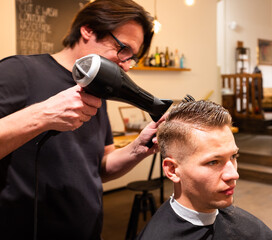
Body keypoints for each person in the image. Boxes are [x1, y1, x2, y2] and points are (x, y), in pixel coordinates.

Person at [0, 1, 159, 239]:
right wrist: (44, 114)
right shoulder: (17, 71)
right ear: (89, 30)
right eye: (123, 49)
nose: (126, 66)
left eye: (132, 58)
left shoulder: (97, 89)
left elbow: (99, 167)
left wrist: (139, 148)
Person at [137, 100, 272, 240]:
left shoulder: (246, 226)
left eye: (233, 156)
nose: (233, 174)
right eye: (213, 162)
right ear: (172, 170)